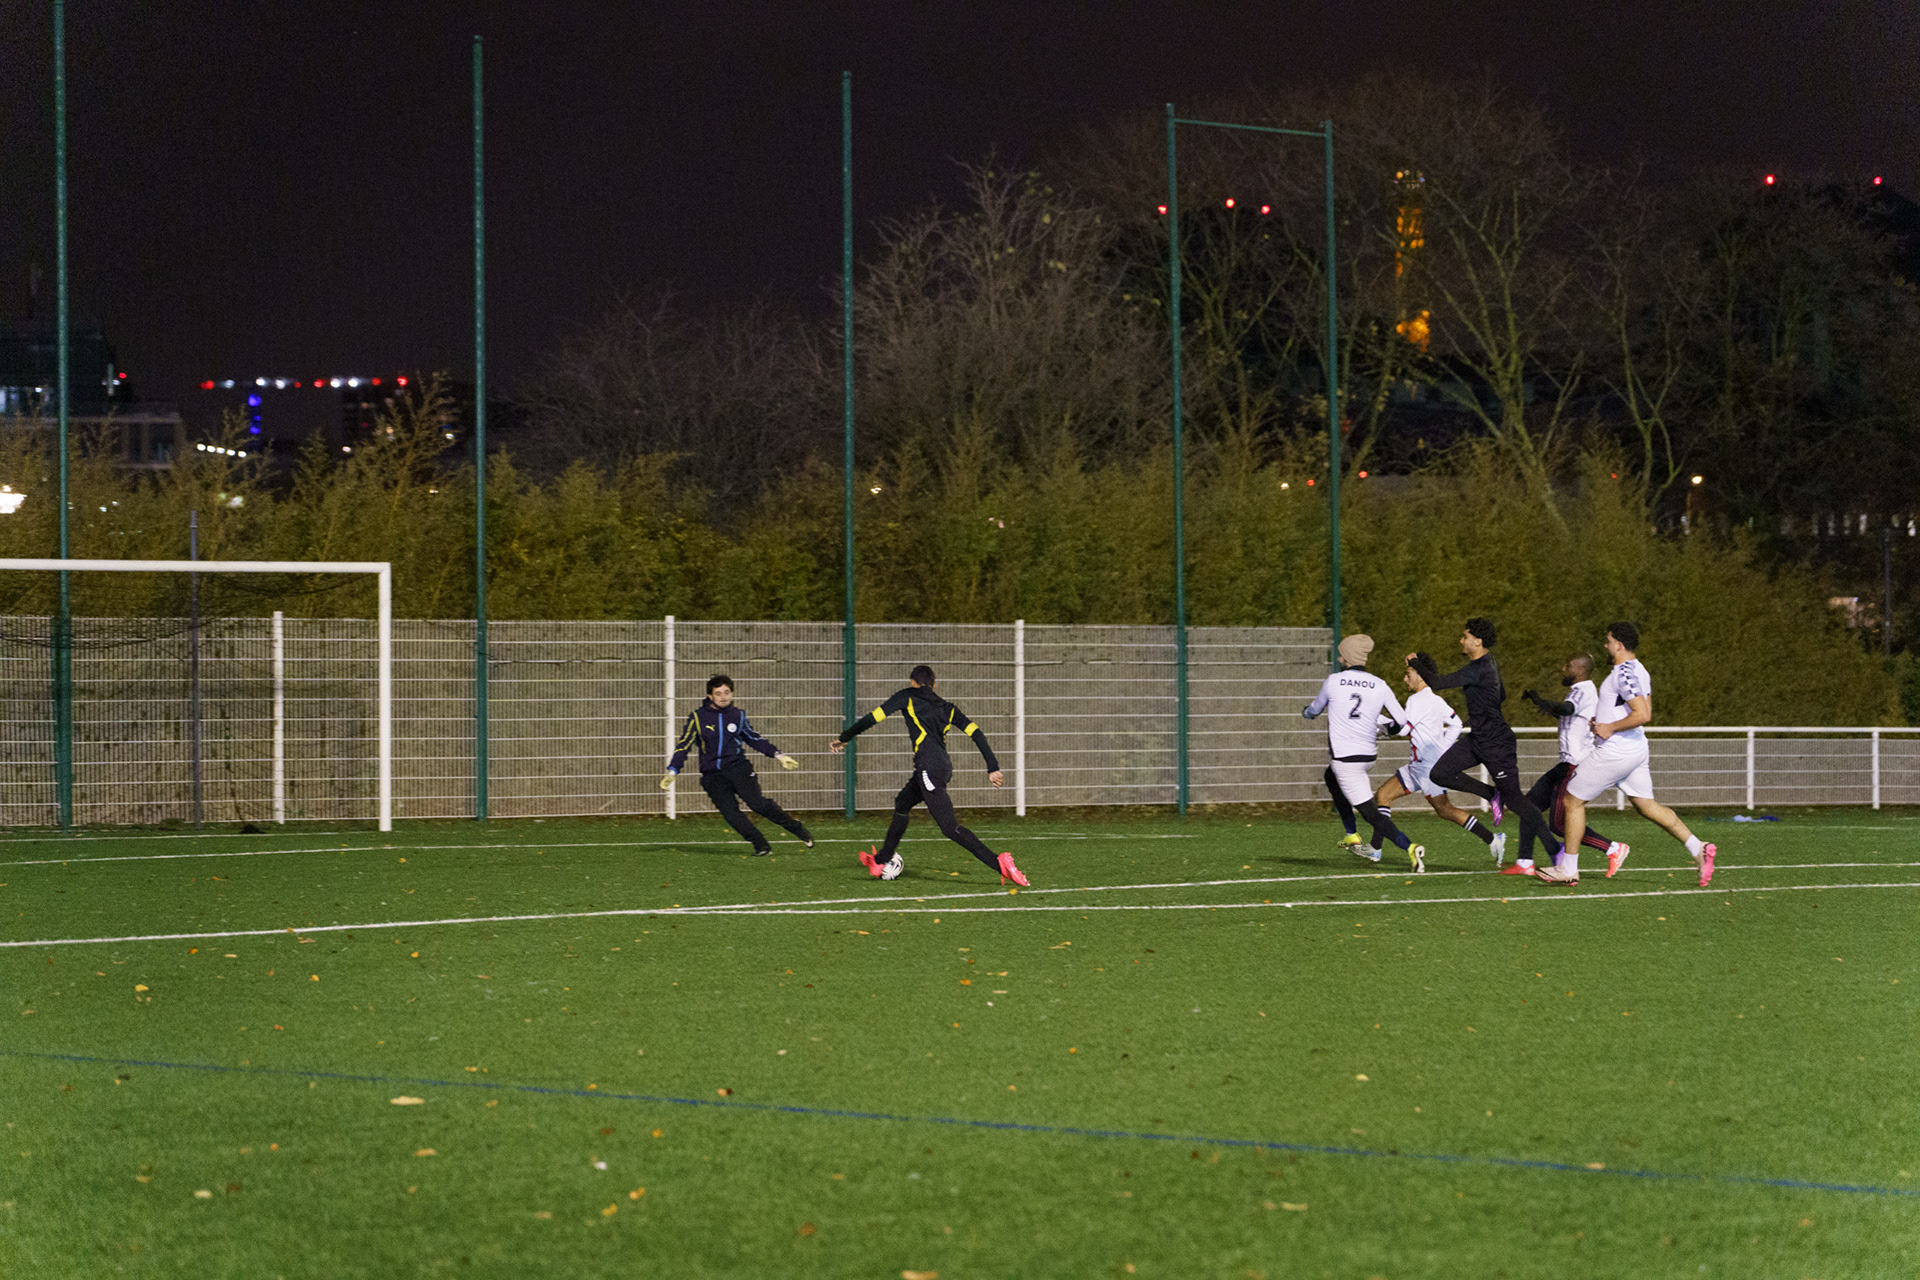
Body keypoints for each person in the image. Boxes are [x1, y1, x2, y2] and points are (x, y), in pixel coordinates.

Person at [1549, 622, 1717, 887]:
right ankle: (1699, 848)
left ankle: (1568, 869)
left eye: (1608, 641)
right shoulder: (1638, 669)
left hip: (1617, 751)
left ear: (1619, 644)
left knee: (1571, 800)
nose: (1605, 646)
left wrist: (1609, 727)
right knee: (1647, 806)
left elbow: (1643, 714)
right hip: (1633, 749)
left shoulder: (1623, 672)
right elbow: (1633, 708)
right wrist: (1602, 722)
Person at [830, 665, 1027, 886]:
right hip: (939, 768)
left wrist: (845, 737)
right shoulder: (947, 708)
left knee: (949, 827)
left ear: (912, 682)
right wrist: (993, 767)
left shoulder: (907, 696)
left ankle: (999, 863)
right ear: (934, 684)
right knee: (903, 802)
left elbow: (873, 718)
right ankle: (881, 860)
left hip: (928, 770)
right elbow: (976, 733)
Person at [1412, 618, 1563, 872]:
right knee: (1440, 773)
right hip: (1477, 740)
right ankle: (1492, 794)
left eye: (1465, 636)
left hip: (1497, 744)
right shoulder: (1487, 664)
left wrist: (1415, 662)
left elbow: (1437, 683)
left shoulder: (1479, 669)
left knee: (1516, 801)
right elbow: (1500, 695)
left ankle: (1555, 850)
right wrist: (1481, 709)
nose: (1461, 640)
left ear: (1477, 641)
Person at [1304, 635, 1427, 872]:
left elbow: (1315, 709)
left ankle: (1410, 847)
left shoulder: (1333, 681)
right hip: (1367, 757)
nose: (1339, 658)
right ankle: (1351, 835)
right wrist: (1387, 730)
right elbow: (1401, 721)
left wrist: (1306, 713)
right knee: (1330, 777)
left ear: (1348, 657)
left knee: (1370, 813)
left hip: (1346, 761)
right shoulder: (1379, 684)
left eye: (1341, 654)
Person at [1371, 652, 1504, 864]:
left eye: (1408, 674)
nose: (1405, 679)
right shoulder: (1436, 699)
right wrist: (1443, 747)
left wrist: (1377, 720)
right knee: (1383, 796)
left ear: (1420, 675)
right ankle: (1375, 849)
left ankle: (1493, 839)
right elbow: (1456, 723)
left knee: (1445, 810)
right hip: (1417, 767)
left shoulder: (1416, 700)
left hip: (1427, 769)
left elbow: (1404, 729)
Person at [663, 674, 813, 856]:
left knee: (758, 804)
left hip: (738, 769)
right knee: (730, 813)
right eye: (718, 693)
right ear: (710, 696)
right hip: (712, 775)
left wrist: (778, 755)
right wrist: (673, 770)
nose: (723, 697)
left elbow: (754, 738)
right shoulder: (698, 717)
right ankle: (761, 845)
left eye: (727, 692)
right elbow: (684, 745)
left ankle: (797, 829)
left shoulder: (738, 715)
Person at [1514, 653, 1628, 878]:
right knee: (1529, 806)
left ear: (1580, 669)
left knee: (1559, 824)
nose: (1563, 668)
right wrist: (1542, 703)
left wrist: (1540, 701)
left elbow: (1566, 710)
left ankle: (1613, 848)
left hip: (1575, 766)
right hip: (1565, 764)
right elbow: (1568, 715)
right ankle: (1524, 862)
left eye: (1567, 665)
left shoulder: (1585, 691)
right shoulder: (1577, 691)